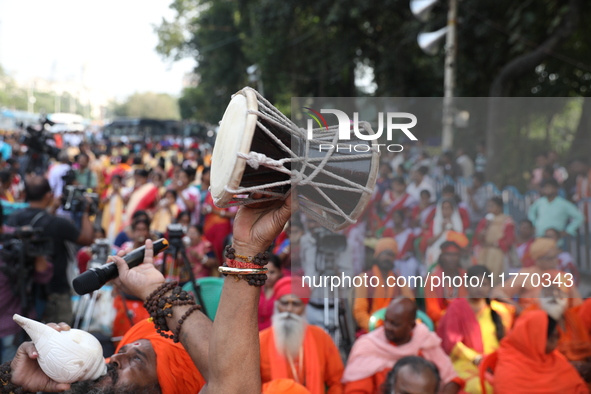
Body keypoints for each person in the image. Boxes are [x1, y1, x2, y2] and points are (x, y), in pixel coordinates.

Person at [5, 176, 94, 325]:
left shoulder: (14, 219)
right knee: (60, 336)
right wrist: (85, 211)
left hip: (21, 290)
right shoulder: (58, 223)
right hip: (55, 290)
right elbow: (86, 238)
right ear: (48, 195)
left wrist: (51, 208)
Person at [343, 298, 462, 394]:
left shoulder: (425, 341)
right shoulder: (369, 347)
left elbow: (452, 379)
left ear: (411, 326)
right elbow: (355, 390)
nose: (387, 327)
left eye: (395, 324)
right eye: (386, 321)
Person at [259, 276, 344, 393]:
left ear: (304, 307)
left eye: (295, 304)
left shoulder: (321, 337)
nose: (289, 309)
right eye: (284, 303)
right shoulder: (261, 340)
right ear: (277, 305)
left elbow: (337, 380)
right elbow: (251, 384)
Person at [437, 266, 513, 393]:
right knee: (477, 387)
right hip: (466, 363)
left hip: (496, 364)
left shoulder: (499, 310)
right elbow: (452, 344)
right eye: (475, 283)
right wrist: (477, 359)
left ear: (490, 286)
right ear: (466, 284)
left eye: (484, 284)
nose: (479, 288)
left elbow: (507, 342)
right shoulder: (456, 308)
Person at [494, 310, 589, 393]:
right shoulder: (510, 371)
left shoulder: (554, 358)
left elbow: (576, 386)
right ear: (535, 338)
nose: (558, 339)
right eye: (554, 336)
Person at [491, 237, 582, 310]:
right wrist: (516, 308)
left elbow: (577, 305)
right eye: (550, 259)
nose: (555, 262)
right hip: (531, 323)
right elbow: (497, 292)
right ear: (538, 260)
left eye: (556, 257)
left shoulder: (563, 277)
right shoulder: (527, 274)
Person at [353, 238, 414, 333]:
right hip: (370, 331)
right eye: (385, 253)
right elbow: (360, 311)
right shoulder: (364, 278)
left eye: (391, 255)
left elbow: (411, 306)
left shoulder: (400, 281)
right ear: (377, 255)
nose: (388, 258)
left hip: (395, 331)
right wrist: (375, 328)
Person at [424, 241, 468, 325]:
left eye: (455, 255)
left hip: (464, 321)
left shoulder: (466, 276)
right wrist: (450, 318)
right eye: (448, 254)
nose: (451, 258)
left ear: (459, 257)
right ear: (442, 257)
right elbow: (432, 311)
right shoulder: (431, 280)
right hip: (441, 323)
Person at [473, 197, 515, 279]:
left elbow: (509, 239)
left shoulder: (507, 221)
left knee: (496, 276)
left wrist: (495, 243)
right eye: (488, 206)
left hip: (498, 252)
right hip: (484, 252)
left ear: (499, 207)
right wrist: (486, 226)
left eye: (492, 206)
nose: (489, 208)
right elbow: (478, 237)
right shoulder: (485, 221)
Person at [423, 199, 465, 266]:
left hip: (454, 251)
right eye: (444, 208)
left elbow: (463, 242)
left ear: (452, 210)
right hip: (437, 250)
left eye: (448, 208)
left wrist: (452, 229)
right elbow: (429, 242)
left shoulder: (458, 223)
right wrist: (442, 231)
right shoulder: (434, 223)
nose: (446, 211)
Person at [258, 254, 283, 331]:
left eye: (272, 272)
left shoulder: (283, 292)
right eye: (265, 272)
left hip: (274, 334)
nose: (268, 276)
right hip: (255, 334)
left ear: (279, 272)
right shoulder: (255, 290)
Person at [101, 174, 126, 243]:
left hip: (120, 219)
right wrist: (111, 194)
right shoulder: (108, 191)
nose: (115, 183)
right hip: (109, 219)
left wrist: (118, 192)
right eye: (113, 181)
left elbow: (126, 202)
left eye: (117, 182)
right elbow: (102, 202)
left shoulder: (123, 191)